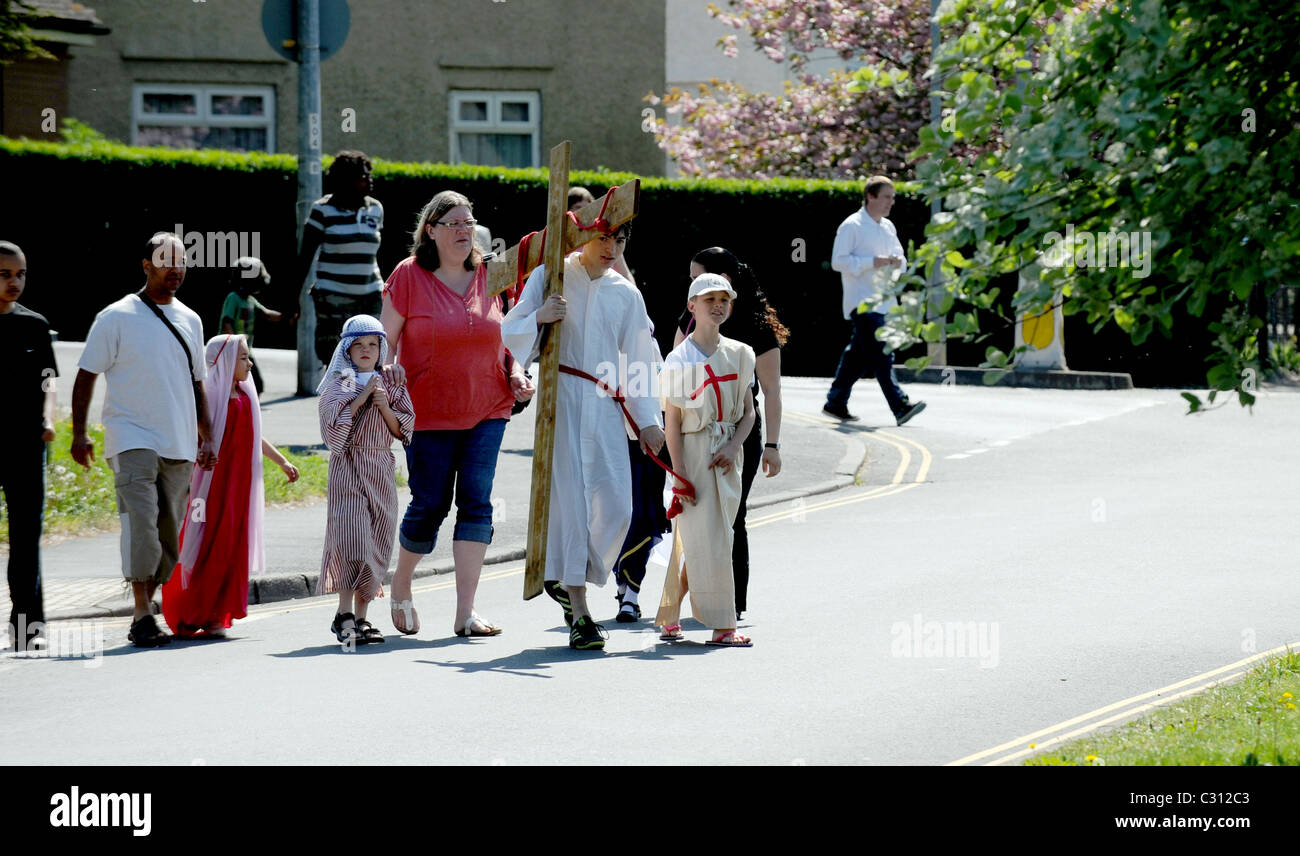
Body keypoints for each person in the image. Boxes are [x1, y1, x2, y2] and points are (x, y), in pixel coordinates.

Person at [501, 224, 665, 651]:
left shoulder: (627, 293)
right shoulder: (552, 274)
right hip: (564, 398)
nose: (611, 249)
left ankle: (565, 571)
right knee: (571, 502)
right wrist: (540, 316)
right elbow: (511, 327)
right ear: (583, 238)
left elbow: (639, 360)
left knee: (617, 507)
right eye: (603, 238)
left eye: (621, 241)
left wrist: (648, 421)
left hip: (608, 405)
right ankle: (580, 610)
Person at [381, 190, 534, 638]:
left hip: (488, 407)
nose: (465, 231)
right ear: (432, 230)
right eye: (455, 224)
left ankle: (465, 612)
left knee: (476, 503)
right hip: (427, 412)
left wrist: (518, 372)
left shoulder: (490, 275)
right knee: (429, 505)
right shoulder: (408, 276)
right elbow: (384, 343)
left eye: (470, 223)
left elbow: (504, 338)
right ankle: (402, 583)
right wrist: (384, 387)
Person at [72, 232, 217, 648]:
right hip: (130, 436)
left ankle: (146, 610)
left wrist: (206, 435)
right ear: (145, 265)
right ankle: (141, 613)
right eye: (165, 260)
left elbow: (197, 383)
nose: (175, 268)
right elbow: (86, 375)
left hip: (178, 441)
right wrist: (80, 433)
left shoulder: (191, 319)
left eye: (181, 261)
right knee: (141, 525)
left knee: (168, 536)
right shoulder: (116, 316)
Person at [675, 247, 788, 621]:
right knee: (694, 517)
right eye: (694, 284)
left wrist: (771, 445)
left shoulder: (756, 326)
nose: (692, 286)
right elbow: (675, 381)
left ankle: (731, 604)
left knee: (731, 516)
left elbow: (770, 390)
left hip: (741, 434)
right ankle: (689, 600)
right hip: (694, 437)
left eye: (698, 277)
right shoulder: (688, 321)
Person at [161, 335, 299, 638]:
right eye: (243, 358)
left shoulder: (246, 395)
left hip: (239, 487)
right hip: (211, 489)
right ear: (225, 360)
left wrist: (282, 462)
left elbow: (256, 434)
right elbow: (192, 435)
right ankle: (193, 609)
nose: (250, 364)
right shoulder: (209, 395)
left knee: (231, 547)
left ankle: (216, 615)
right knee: (206, 545)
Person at [657, 273, 756, 646]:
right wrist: (680, 474)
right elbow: (673, 423)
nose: (717, 305)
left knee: (711, 539)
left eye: (724, 299)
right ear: (691, 306)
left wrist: (733, 448)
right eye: (709, 298)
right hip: (695, 455)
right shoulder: (678, 359)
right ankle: (723, 626)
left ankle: (670, 613)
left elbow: (749, 413)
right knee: (710, 540)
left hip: (729, 455)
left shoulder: (741, 353)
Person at [317, 315, 414, 646]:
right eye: (358, 344)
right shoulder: (338, 383)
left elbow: (405, 430)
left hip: (382, 467)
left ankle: (362, 617)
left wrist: (384, 405)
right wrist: (360, 398)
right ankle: (343, 613)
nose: (366, 350)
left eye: (373, 344)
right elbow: (333, 436)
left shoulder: (391, 383)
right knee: (352, 538)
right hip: (348, 466)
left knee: (378, 542)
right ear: (347, 349)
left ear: (381, 348)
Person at [823, 175, 926, 425]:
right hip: (863, 302)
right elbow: (838, 261)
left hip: (885, 301)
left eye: (893, 197)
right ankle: (899, 406)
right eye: (886, 197)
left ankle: (835, 402)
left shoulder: (888, 227)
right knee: (882, 353)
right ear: (871, 196)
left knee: (857, 356)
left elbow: (902, 258)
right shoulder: (852, 225)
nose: (891, 202)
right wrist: (871, 262)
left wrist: (896, 262)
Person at [0, 241, 57, 652]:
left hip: (26, 446)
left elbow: (48, 379)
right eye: (4, 274)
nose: (14, 282)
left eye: (20, 274)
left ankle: (26, 629)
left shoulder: (34, 325)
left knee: (25, 539)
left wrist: (50, 417)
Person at [296, 151, 385, 367]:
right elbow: (305, 257)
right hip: (334, 298)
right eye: (363, 177)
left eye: (369, 175)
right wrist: (293, 301)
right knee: (338, 362)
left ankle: (367, 402)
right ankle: (337, 401)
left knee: (372, 361)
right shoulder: (322, 210)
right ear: (347, 180)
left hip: (371, 296)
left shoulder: (375, 208)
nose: (369, 180)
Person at [219, 256, 285, 393]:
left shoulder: (250, 300)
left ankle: (247, 408)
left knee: (255, 385)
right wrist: (235, 344)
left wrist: (285, 316)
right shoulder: (233, 298)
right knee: (233, 384)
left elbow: (266, 313)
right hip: (231, 350)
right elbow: (227, 322)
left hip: (245, 351)